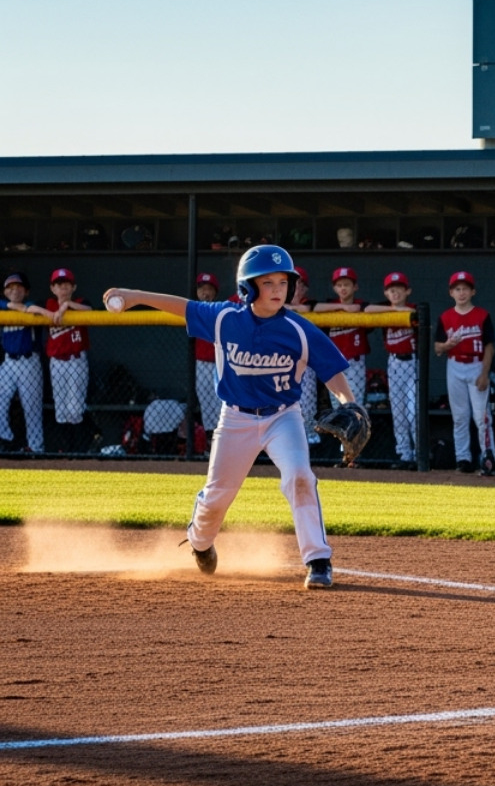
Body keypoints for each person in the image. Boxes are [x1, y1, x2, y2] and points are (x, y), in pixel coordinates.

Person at [103, 244, 358, 589]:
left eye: (283, 282)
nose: (278, 289)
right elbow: (182, 306)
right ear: (247, 288)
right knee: (217, 495)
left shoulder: (299, 329)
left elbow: (332, 372)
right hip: (235, 420)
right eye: (267, 283)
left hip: (283, 418)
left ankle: (318, 560)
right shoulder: (225, 319)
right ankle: (200, 542)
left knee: (300, 476)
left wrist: (350, 403)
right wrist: (133, 295)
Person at [434, 270, 495, 475]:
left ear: (472, 292)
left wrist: (485, 373)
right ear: (451, 292)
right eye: (457, 289)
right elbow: (437, 349)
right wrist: (446, 345)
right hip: (455, 365)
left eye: (465, 289)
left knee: (482, 417)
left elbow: (489, 346)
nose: (461, 293)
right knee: (460, 416)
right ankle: (463, 458)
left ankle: (488, 456)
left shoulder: (482, 315)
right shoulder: (445, 317)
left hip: (476, 364)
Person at [364, 271, 417, 469]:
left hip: (412, 362)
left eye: (399, 289)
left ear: (407, 291)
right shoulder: (383, 310)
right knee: (399, 411)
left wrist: (397, 310)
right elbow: (366, 310)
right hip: (394, 363)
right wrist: (392, 310)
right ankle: (404, 454)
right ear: (386, 294)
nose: (395, 293)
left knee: (413, 411)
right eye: (391, 290)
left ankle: (418, 454)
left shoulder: (413, 309)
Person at [43, 268, 92, 451]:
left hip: (76, 361)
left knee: (75, 407)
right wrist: (49, 314)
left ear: (73, 287)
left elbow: (89, 309)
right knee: (61, 408)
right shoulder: (48, 304)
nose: (63, 288)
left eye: (66, 284)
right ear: (53, 288)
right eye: (58, 285)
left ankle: (79, 450)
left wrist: (66, 306)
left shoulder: (80, 302)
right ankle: (65, 450)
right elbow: (30, 308)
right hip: (56, 362)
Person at [313, 267, 371, 418]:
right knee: (336, 405)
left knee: (355, 404)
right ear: (334, 288)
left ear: (355, 287)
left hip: (355, 361)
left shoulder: (361, 304)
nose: (343, 288)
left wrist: (356, 308)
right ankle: (342, 440)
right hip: (334, 363)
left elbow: (369, 309)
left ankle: (355, 438)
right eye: (339, 285)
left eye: (347, 284)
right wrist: (343, 307)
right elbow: (314, 308)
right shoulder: (329, 305)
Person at [0, 271, 45, 454]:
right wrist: (11, 306)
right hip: (8, 363)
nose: (15, 290)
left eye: (19, 287)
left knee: (32, 408)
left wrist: (23, 309)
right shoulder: (3, 308)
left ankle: (36, 448)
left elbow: (35, 310)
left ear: (26, 291)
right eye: (10, 288)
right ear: (5, 292)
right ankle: (6, 438)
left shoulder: (32, 306)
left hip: (29, 362)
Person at [190, 272, 228, 443]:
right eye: (202, 289)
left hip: (221, 363)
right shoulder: (192, 309)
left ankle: (224, 439)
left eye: (209, 289)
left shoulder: (221, 309)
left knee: (222, 403)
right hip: (201, 364)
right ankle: (210, 440)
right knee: (206, 404)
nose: (205, 292)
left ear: (215, 292)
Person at [286, 266, 320, 445]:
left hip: (305, 363)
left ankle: (310, 440)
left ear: (305, 288)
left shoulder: (310, 303)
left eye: (298, 284)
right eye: (291, 284)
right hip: (281, 364)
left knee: (307, 405)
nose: (295, 288)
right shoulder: (275, 305)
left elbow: (308, 308)